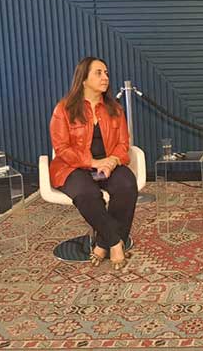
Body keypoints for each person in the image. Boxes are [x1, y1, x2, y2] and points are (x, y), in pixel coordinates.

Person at [49, 57, 137, 271]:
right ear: (83, 79)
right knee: (87, 194)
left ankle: (102, 243)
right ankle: (115, 242)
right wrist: (93, 162)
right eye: (98, 73)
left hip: (108, 164)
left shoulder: (114, 109)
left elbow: (123, 143)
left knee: (127, 185)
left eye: (106, 72)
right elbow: (62, 149)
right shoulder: (64, 109)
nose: (105, 77)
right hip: (73, 167)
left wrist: (112, 161)